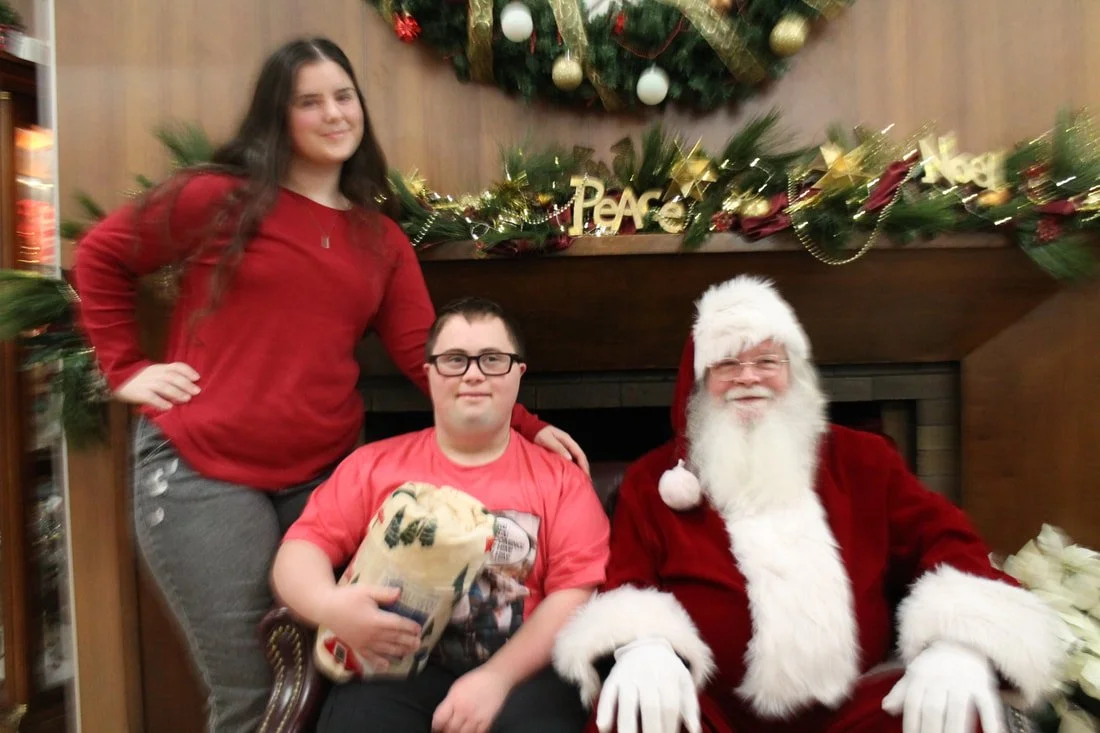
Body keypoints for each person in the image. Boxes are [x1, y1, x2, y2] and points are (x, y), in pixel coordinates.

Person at [71, 37, 588, 733]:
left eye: (344, 96)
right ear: (277, 117)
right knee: (258, 693)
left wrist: (524, 423)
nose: (333, 113)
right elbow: (101, 253)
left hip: (320, 475)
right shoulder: (216, 199)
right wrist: (126, 369)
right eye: (309, 101)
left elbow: (423, 352)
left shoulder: (380, 239)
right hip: (201, 474)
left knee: (335, 668)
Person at [552, 275, 1064, 733]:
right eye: (727, 363)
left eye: (766, 362)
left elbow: (948, 542)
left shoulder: (864, 460)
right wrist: (644, 646)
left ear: (792, 372)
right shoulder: (652, 481)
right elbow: (626, 580)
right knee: (631, 712)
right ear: (700, 383)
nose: (748, 377)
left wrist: (959, 643)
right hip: (707, 713)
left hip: (851, 713)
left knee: (957, 706)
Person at [273, 297, 610, 733]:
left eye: (492, 359)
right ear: (430, 373)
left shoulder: (562, 480)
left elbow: (574, 595)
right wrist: (330, 606)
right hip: (392, 667)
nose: (473, 373)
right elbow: (301, 549)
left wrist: (495, 679)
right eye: (454, 360)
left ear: (517, 374)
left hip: (524, 673)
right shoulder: (372, 466)